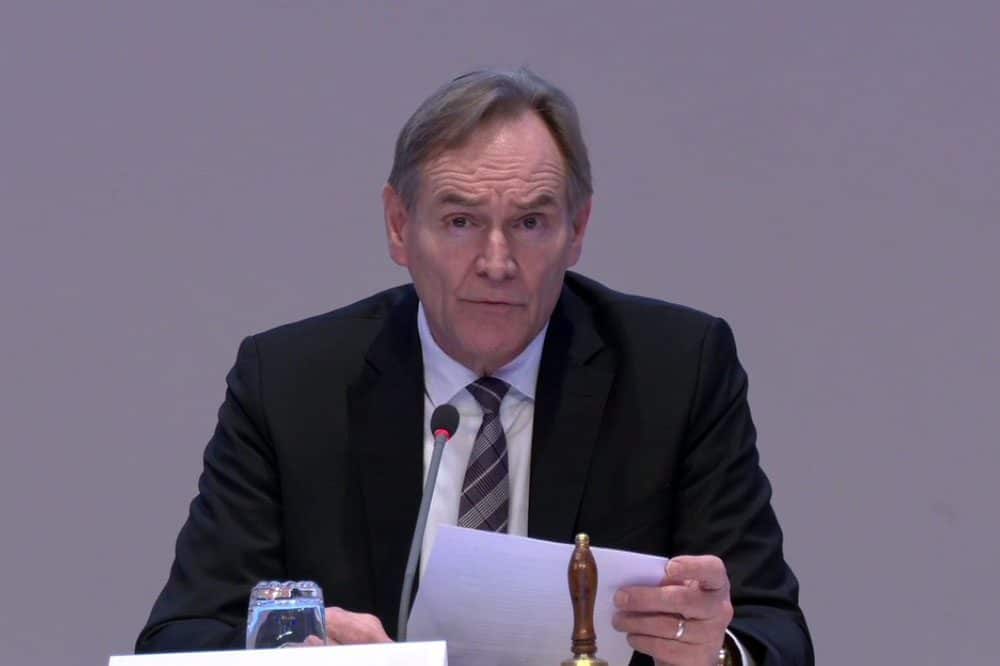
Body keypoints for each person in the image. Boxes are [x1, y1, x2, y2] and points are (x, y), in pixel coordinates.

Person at [136, 68, 813, 666]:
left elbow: (775, 634)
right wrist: (302, 658)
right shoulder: (291, 384)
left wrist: (715, 653)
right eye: (461, 222)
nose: (496, 262)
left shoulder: (675, 372)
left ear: (577, 230)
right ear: (399, 226)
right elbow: (179, 640)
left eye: (530, 223)